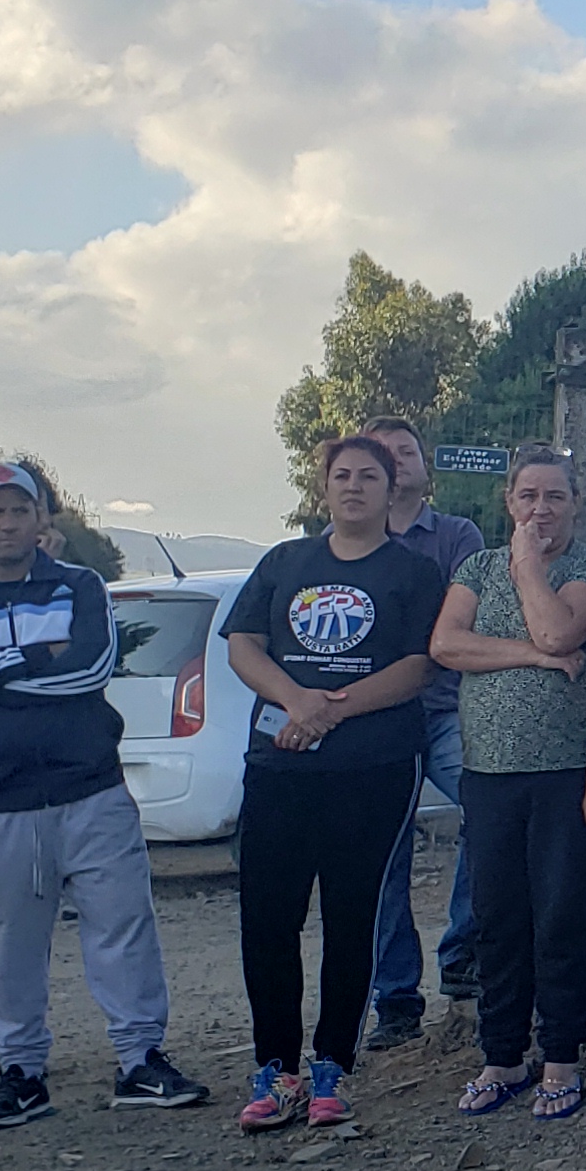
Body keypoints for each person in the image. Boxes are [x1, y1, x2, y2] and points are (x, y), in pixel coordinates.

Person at [0, 458, 206, 1131]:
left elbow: (88, 671)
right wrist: (32, 655)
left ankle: (140, 1061)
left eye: (22, 510)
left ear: (42, 519)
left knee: (123, 926)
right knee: (7, 943)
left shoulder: (82, 586)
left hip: (87, 789)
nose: (9, 522)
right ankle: (20, 1074)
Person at [225, 435, 448, 1132]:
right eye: (342, 475)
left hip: (374, 767)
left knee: (354, 919)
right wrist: (296, 702)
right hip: (279, 764)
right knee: (268, 920)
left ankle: (331, 1070)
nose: (354, 487)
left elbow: (420, 666)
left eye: (369, 477)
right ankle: (275, 1072)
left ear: (393, 490)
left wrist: (329, 711)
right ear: (324, 487)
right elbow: (243, 644)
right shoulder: (285, 562)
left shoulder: (412, 572)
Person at [429, 446, 586, 1123]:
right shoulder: (475, 567)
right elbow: (448, 646)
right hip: (488, 774)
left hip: (571, 772)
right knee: (498, 919)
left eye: (555, 497)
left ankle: (562, 1056)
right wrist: (535, 656)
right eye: (529, 497)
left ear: (576, 504)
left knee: (564, 918)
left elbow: (557, 623)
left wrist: (527, 568)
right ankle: (502, 1055)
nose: (541, 509)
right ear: (508, 503)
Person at [355, 416, 488, 1049]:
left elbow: (462, 615)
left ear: (421, 466)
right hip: (372, 719)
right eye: (382, 454)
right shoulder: (341, 541)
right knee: (381, 857)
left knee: (490, 804)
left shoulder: (458, 535)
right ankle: (395, 1000)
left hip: (442, 711)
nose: (396, 461)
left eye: (405, 451)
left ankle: (463, 954)